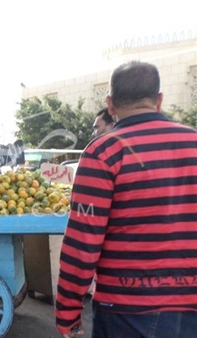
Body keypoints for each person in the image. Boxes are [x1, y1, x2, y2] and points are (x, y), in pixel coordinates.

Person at [55, 60, 197, 338]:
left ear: (110, 104)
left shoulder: (103, 152)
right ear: (158, 100)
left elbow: (82, 242)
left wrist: (67, 312)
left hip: (126, 311)